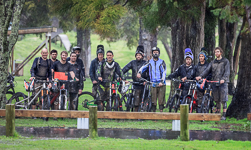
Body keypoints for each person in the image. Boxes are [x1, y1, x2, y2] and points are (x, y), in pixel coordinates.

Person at [196, 47, 230, 120]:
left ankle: (224, 115)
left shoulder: (225, 61)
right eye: (215, 52)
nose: (216, 53)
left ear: (221, 52)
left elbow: (227, 72)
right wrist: (200, 76)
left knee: (223, 100)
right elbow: (207, 70)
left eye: (218, 52)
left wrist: (223, 79)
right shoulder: (213, 62)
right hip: (215, 82)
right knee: (216, 99)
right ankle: (218, 114)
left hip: (223, 83)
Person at [137, 47, 167, 112]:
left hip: (161, 83)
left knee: (161, 100)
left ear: (159, 53)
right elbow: (143, 67)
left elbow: (164, 72)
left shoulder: (162, 62)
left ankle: (161, 113)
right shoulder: (149, 62)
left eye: (157, 52)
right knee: (153, 100)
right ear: (152, 53)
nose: (155, 53)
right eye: (154, 52)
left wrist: (162, 81)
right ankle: (154, 114)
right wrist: (139, 73)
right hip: (153, 83)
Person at [122, 45, 147, 112]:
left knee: (143, 99)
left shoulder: (145, 63)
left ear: (142, 56)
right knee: (136, 99)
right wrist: (122, 78)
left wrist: (147, 81)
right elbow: (124, 70)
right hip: (135, 84)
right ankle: (135, 113)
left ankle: (142, 111)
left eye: (140, 55)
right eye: (137, 55)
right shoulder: (132, 63)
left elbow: (149, 73)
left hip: (143, 84)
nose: (138, 56)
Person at [30, 48, 51, 112]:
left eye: (46, 53)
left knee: (43, 97)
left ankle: (41, 113)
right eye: (43, 53)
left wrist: (49, 81)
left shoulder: (49, 62)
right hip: (37, 81)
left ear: (47, 54)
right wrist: (32, 76)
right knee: (35, 97)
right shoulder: (37, 60)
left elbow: (50, 73)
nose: (44, 54)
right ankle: (33, 113)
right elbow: (33, 68)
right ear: (41, 53)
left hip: (44, 82)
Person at [194, 48, 211, 113]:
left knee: (206, 97)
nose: (201, 58)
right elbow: (194, 74)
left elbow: (210, 74)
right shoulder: (197, 66)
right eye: (200, 56)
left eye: (202, 56)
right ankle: (199, 111)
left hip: (206, 83)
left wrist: (206, 79)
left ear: (205, 57)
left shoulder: (208, 65)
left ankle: (206, 109)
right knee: (199, 97)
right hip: (199, 84)